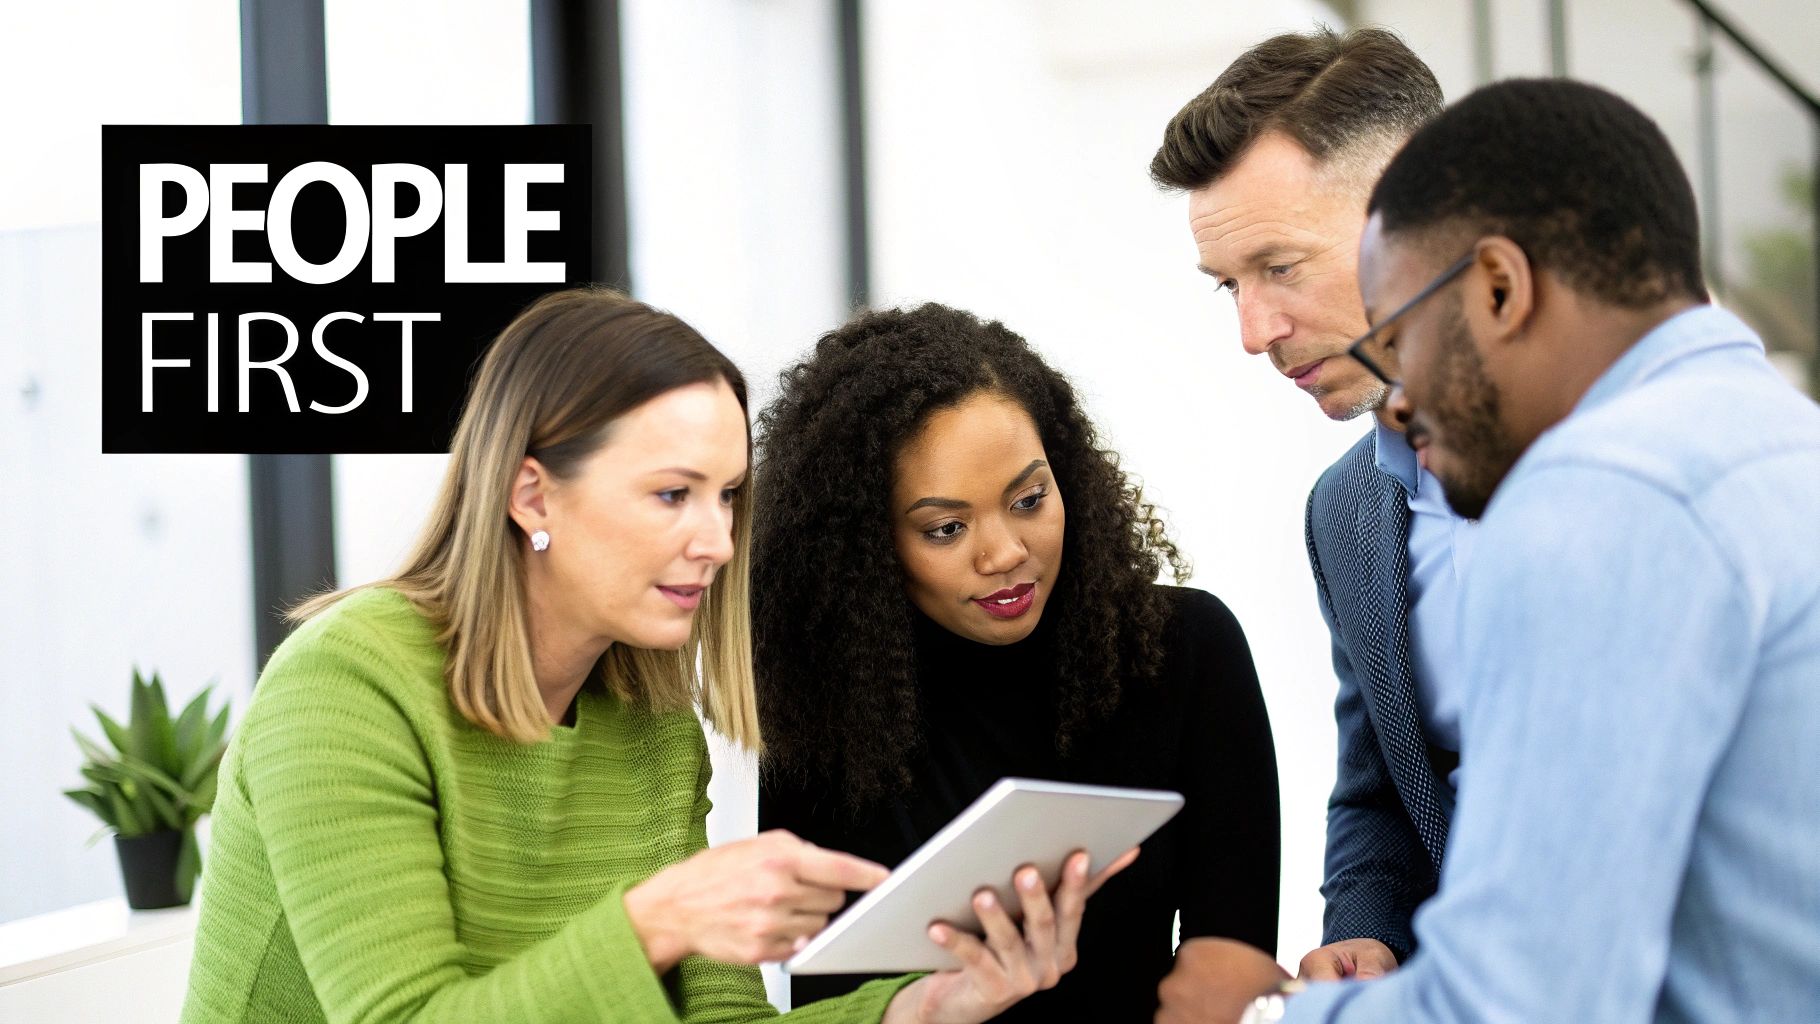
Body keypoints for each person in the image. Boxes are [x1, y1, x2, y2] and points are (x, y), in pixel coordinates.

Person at [180, 287, 1110, 1024]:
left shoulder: (651, 720)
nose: (716, 540)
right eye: (673, 495)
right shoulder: (345, 687)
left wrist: (928, 1008)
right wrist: (660, 920)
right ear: (531, 496)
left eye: (729, 496)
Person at [1156, 78, 1820, 1023]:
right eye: (1230, 285)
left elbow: (1522, 998)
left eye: (1403, 324)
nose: (1400, 395)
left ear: (1499, 283)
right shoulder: (1777, 443)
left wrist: (1259, 1015)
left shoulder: (1604, 501)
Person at [752, 303, 1281, 1022]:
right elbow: (830, 1006)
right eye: (946, 528)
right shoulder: (826, 704)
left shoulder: (1185, 651)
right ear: (868, 547)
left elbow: (1231, 968)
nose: (1005, 554)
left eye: (1029, 500)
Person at [1149, 27, 1453, 981]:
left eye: (1281, 267)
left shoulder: (1624, 473)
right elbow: (1382, 794)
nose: (1254, 332)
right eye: (1227, 287)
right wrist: (1367, 929)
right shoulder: (1348, 512)